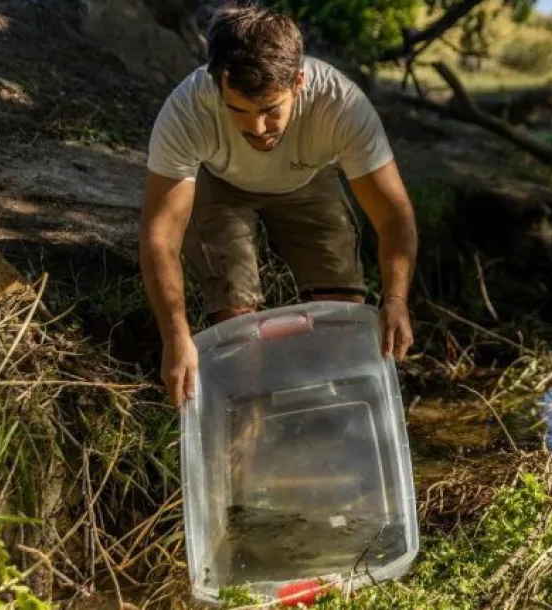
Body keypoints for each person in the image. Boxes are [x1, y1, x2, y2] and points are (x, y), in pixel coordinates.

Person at [137, 3, 418, 408]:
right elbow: (160, 235)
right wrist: (174, 335)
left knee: (339, 314)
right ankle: (250, 422)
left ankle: (325, 414)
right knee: (236, 316)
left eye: (270, 110)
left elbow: (394, 215)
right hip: (220, 182)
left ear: (299, 81)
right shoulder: (187, 111)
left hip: (307, 177)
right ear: (218, 85)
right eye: (239, 110)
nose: (256, 128)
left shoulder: (340, 104)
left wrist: (395, 301)